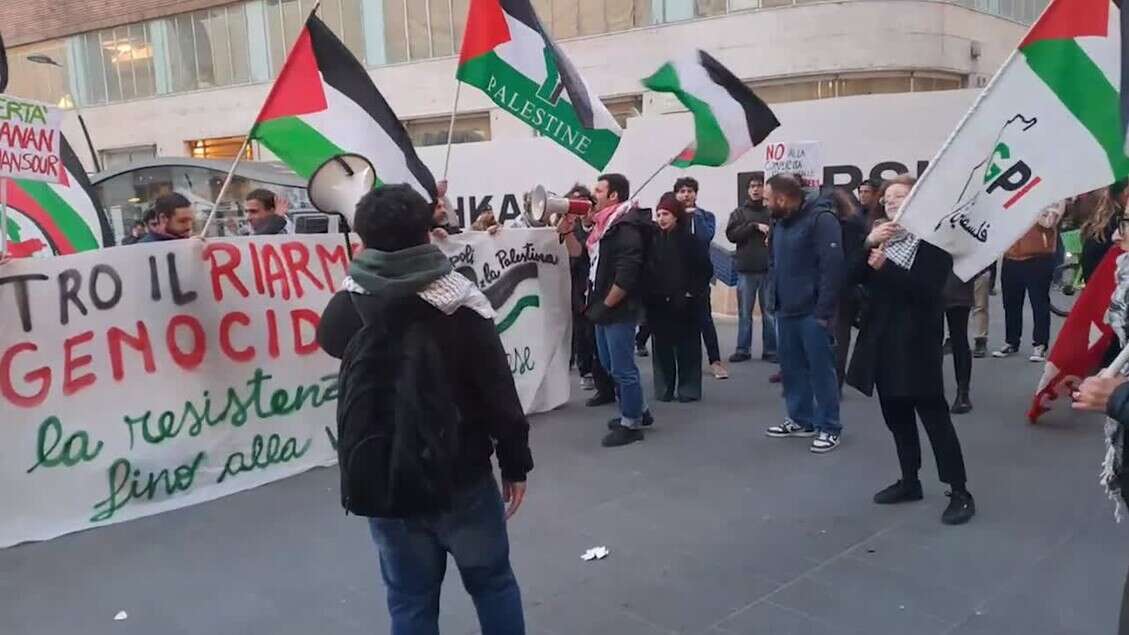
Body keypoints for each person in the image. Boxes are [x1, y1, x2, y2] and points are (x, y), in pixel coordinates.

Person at [315, 184, 533, 635]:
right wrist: (515, 464)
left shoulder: (350, 302)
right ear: (429, 232)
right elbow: (498, 393)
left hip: (385, 478)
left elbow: (330, 341)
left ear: (362, 240)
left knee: (410, 600)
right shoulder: (462, 301)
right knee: (492, 584)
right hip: (462, 476)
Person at [847, 175, 975, 525]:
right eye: (887, 197)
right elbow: (849, 276)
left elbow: (928, 293)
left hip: (917, 344)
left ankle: (960, 490)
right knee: (896, 415)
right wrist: (867, 244)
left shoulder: (932, 243)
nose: (890, 202)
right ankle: (909, 480)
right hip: (881, 342)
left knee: (934, 418)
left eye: (900, 196)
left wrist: (886, 269)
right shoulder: (879, 240)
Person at [559, 173, 654, 447]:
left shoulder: (625, 226)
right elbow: (578, 254)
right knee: (611, 364)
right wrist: (567, 229)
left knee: (623, 368)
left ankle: (631, 424)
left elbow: (627, 274)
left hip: (617, 308)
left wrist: (606, 305)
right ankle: (639, 410)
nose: (593, 196)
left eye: (598, 191)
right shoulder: (603, 226)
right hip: (602, 305)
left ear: (613, 196)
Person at [762, 174, 844, 454]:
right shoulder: (780, 221)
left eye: (767, 198)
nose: (765, 203)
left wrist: (824, 311)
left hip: (813, 312)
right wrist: (774, 298)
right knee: (792, 368)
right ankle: (801, 419)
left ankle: (829, 427)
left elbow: (832, 268)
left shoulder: (822, 220)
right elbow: (774, 262)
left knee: (821, 370)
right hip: (785, 309)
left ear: (782, 199)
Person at [645, 192, 713, 402]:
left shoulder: (691, 241)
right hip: (658, 303)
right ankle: (664, 388)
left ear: (676, 216)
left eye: (665, 213)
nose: (661, 218)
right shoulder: (653, 240)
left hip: (686, 303)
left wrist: (690, 292)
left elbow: (705, 270)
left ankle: (688, 389)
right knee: (662, 348)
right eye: (658, 214)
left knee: (688, 348)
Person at [566, 184, 616, 406]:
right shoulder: (571, 226)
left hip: (601, 290)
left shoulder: (605, 226)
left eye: (587, 203)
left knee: (602, 344)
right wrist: (565, 224)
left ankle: (611, 386)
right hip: (579, 291)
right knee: (585, 337)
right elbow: (574, 252)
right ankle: (595, 380)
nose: (584, 209)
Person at [993, 202, 1062, 362]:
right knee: (1010, 303)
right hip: (1011, 256)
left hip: (1038, 257)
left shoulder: (1053, 196)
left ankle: (1040, 345)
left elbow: (1049, 222)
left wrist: (1032, 207)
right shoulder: (1016, 196)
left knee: (1039, 302)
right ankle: (1011, 341)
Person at [674, 177, 728, 380]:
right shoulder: (671, 216)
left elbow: (706, 237)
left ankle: (715, 361)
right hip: (676, 276)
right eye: (682, 191)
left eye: (690, 191)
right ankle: (680, 364)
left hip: (699, 276)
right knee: (676, 320)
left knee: (705, 320)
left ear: (696, 194)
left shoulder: (706, 216)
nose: (686, 195)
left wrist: (694, 217)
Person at [726, 172, 776, 364]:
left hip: (768, 269)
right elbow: (732, 235)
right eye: (752, 186)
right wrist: (753, 226)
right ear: (748, 190)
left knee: (769, 313)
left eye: (759, 185)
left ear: (765, 189)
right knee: (745, 313)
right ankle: (742, 349)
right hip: (745, 270)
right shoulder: (739, 213)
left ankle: (771, 350)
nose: (756, 189)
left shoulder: (772, 212)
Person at [829, 187, 869, 389]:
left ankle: (836, 379)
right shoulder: (855, 222)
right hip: (848, 286)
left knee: (839, 334)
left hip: (843, 286)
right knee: (841, 334)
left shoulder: (845, 226)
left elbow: (849, 257)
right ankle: (837, 378)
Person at [1081, 183, 1126, 283]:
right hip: (1108, 284)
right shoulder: (1117, 223)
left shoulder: (1101, 219)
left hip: (1095, 284)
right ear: (1125, 194)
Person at [944, 271, 975, 413]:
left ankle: (963, 392)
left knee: (959, 339)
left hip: (957, 279)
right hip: (928, 281)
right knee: (929, 339)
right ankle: (930, 388)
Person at [970, 264, 994, 358]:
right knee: (954, 305)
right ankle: (952, 337)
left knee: (980, 306)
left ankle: (980, 339)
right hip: (956, 268)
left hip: (979, 269)